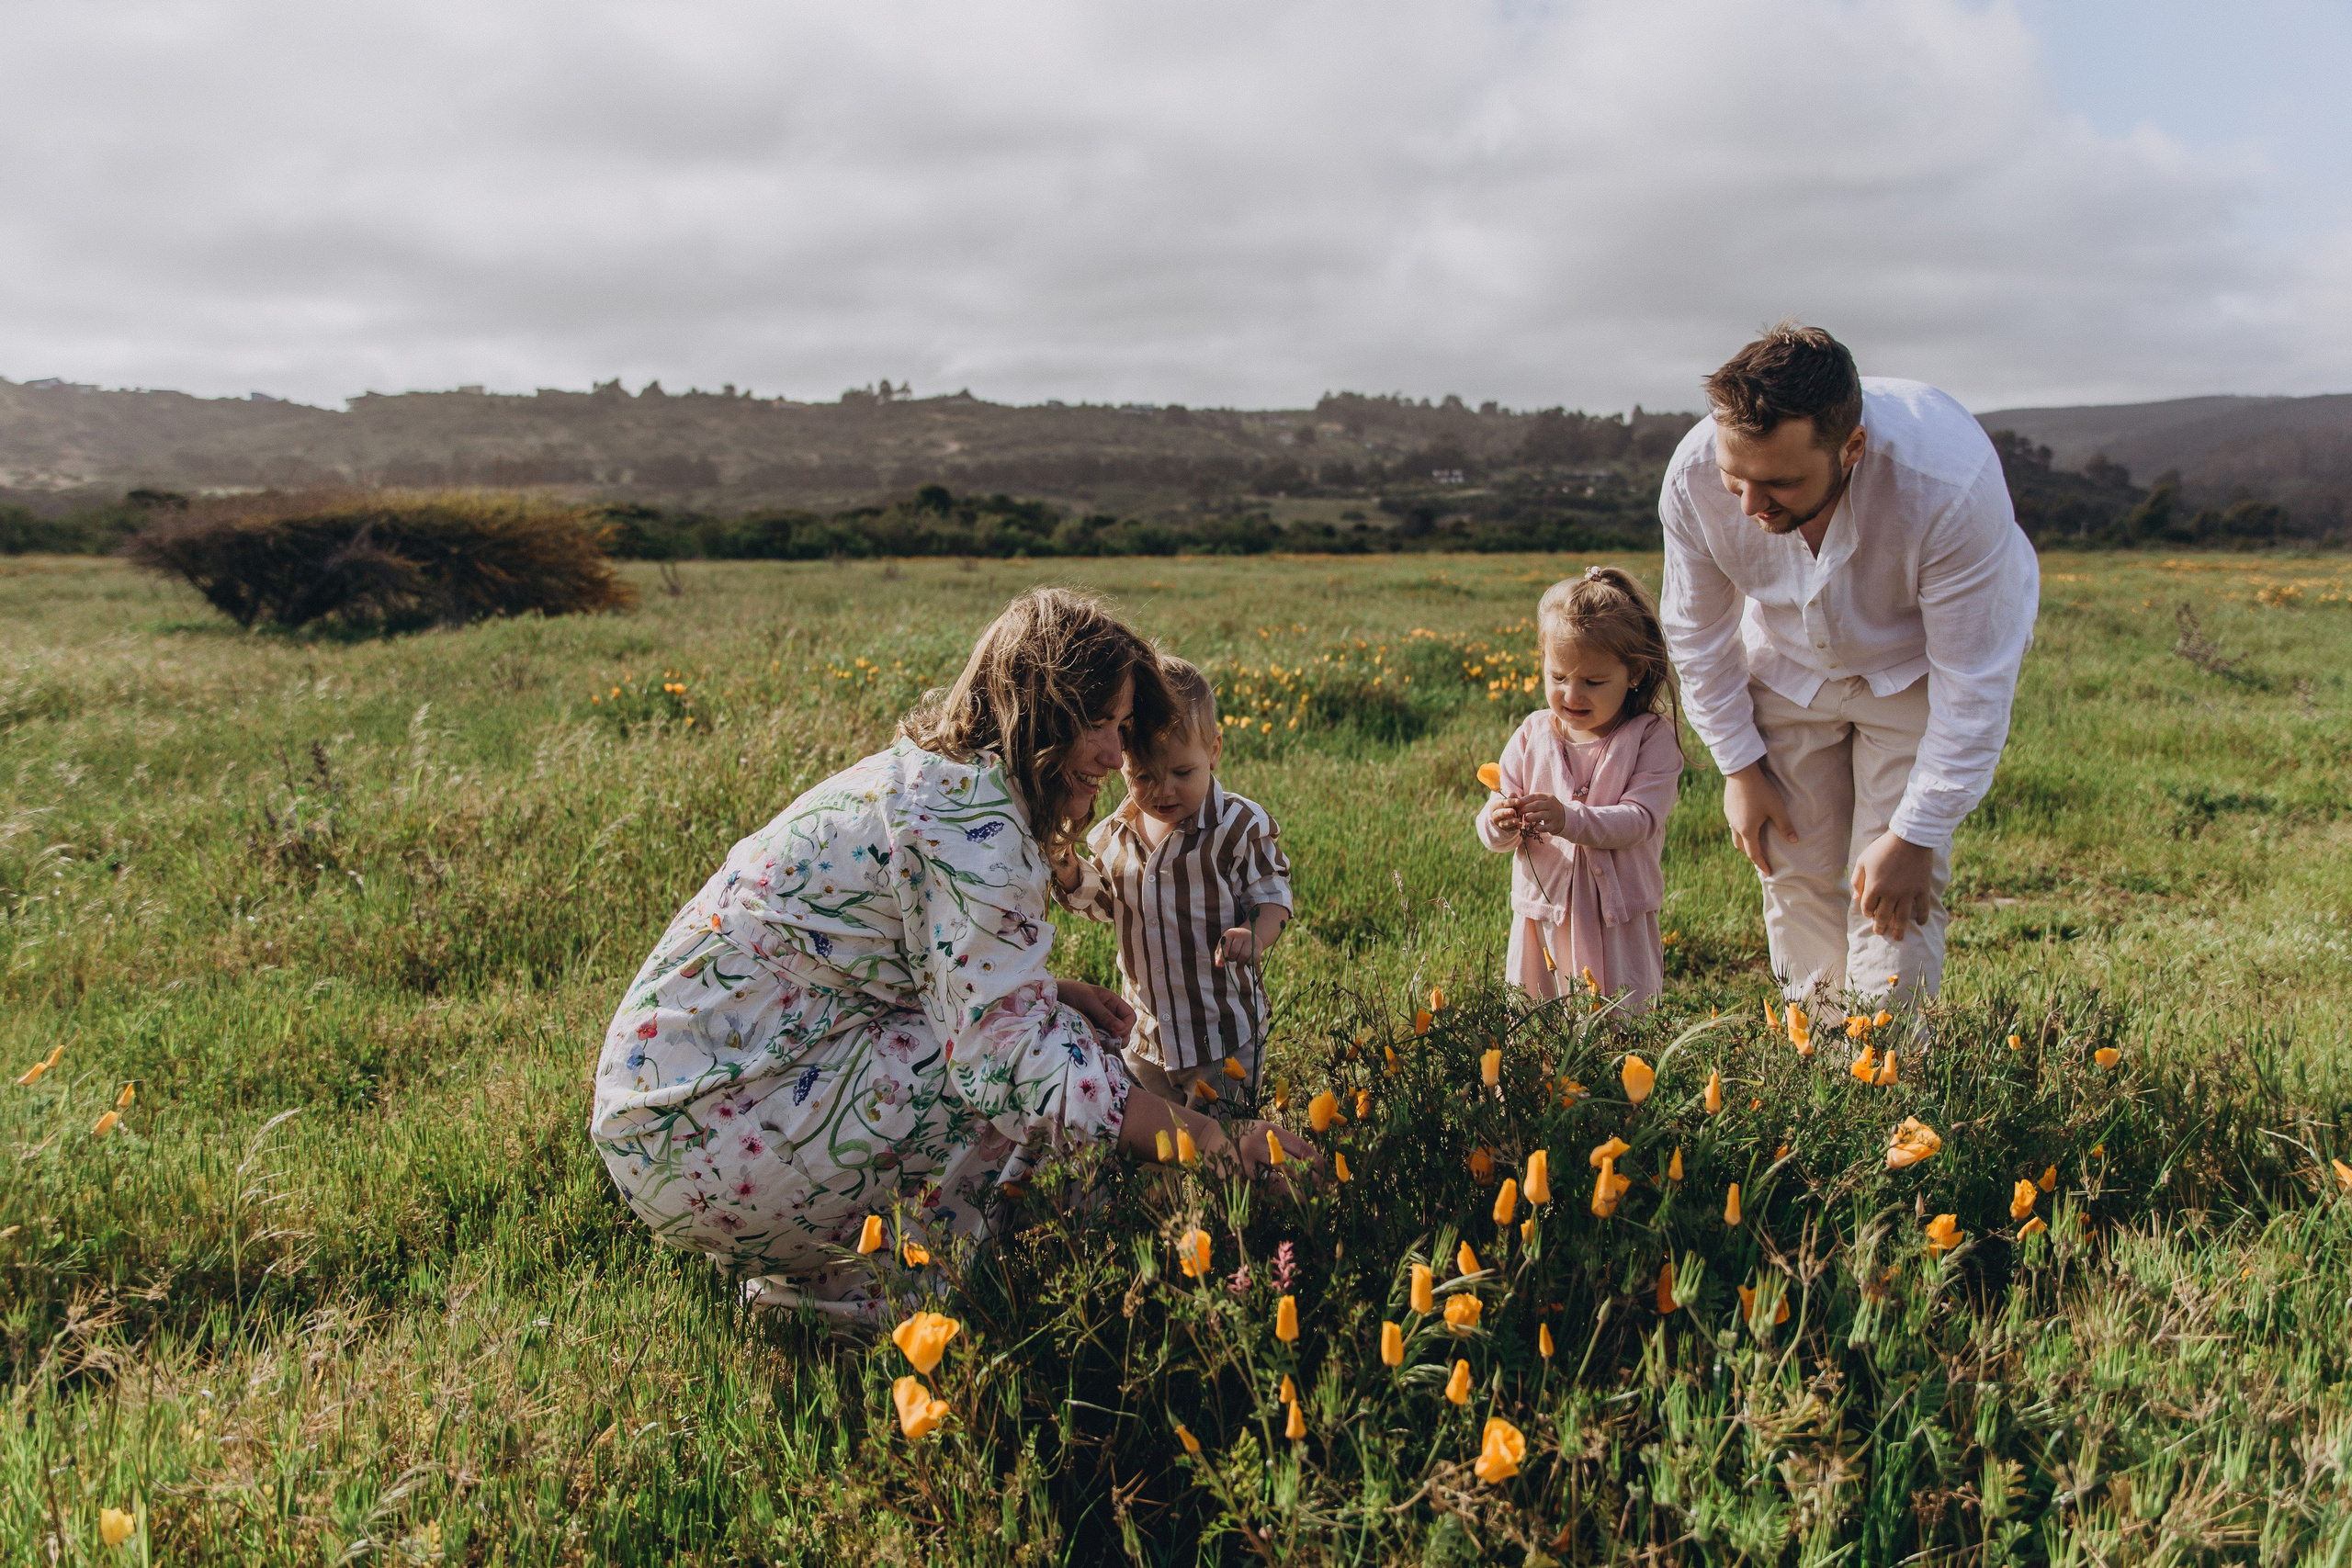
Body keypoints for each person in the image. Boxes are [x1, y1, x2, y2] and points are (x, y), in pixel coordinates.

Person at [589, 589, 1314, 1322]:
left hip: (686, 1102)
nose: (1112, 753)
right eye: (1094, 721)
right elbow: (1009, 1056)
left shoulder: (949, 781)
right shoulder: (975, 826)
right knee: (1025, 1075)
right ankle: (882, 1297)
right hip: (696, 1125)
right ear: (1036, 709)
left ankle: (843, 1280)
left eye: (1121, 726)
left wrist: (1050, 989)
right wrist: (1206, 1137)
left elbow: (895, 963)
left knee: (1061, 1048)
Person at [1658, 322, 2039, 1015]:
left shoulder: (1951, 485)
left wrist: (1916, 833)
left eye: (1779, 482)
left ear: (1853, 447)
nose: (1749, 506)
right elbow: (1697, 634)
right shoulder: (1692, 477)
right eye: (1734, 478)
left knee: (1891, 888)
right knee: (1792, 869)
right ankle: (1821, 1065)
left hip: (1915, 668)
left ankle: (1889, 1073)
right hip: (1786, 663)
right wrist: (1739, 768)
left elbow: (1974, 682)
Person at [1060, 657, 1293, 1110]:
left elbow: (1273, 895)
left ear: (1214, 750)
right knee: (1154, 1149)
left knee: (1223, 1147)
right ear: (1121, 762)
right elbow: (1104, 903)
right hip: (1146, 1035)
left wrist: (1253, 934)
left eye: (1182, 774)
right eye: (1143, 776)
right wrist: (1070, 873)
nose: (1163, 791)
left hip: (1222, 1035)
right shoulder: (1112, 835)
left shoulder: (1238, 827)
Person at [1476, 567, 1684, 1011]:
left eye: (1592, 682)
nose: (1571, 694)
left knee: (1621, 1016)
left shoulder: (1650, 737)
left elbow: (1640, 820)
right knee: (1539, 1016)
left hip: (1616, 919)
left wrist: (1569, 819)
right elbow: (1497, 816)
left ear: (1633, 674)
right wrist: (1499, 822)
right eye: (1558, 677)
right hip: (1545, 914)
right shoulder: (1533, 734)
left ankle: (1621, 1078)